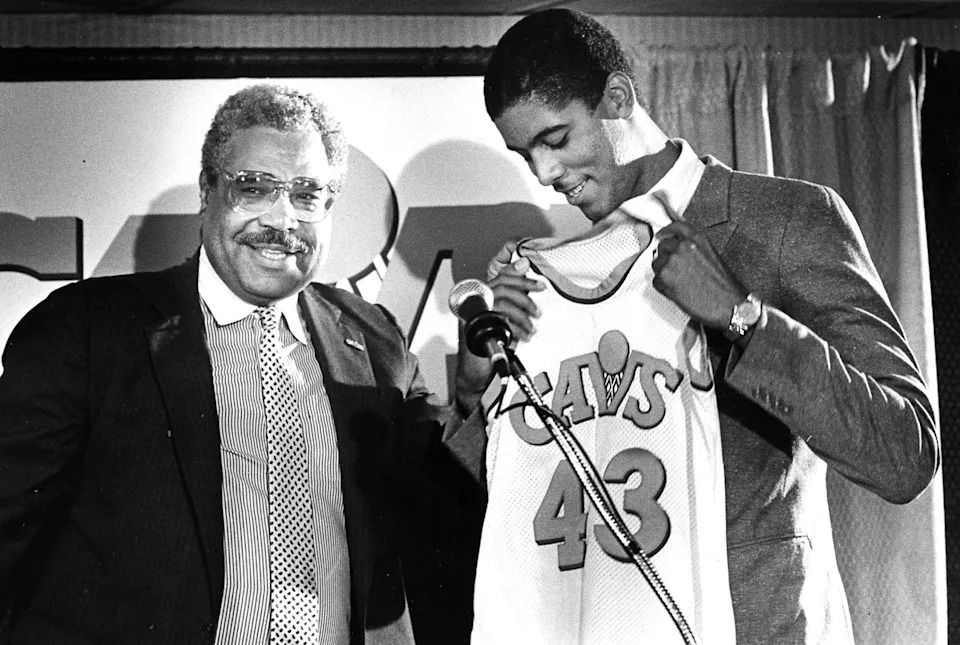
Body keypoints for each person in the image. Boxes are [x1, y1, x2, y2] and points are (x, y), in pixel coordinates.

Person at [454, 8, 941, 645]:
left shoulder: (786, 219)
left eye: (557, 139)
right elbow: (518, 505)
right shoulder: (547, 275)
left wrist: (743, 317)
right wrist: (476, 384)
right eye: (526, 155)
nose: (545, 176)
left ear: (617, 98)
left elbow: (906, 454)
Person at [0, 84, 481, 644]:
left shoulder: (375, 340)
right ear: (208, 191)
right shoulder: (88, 328)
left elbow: (445, 518)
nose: (282, 219)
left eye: (307, 194)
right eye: (254, 189)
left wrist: (472, 393)